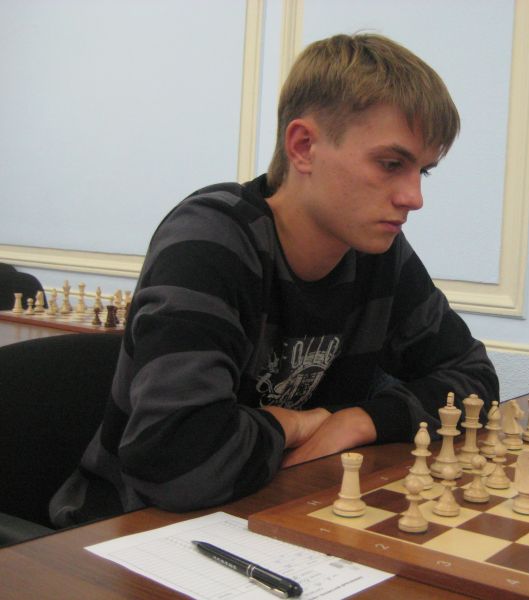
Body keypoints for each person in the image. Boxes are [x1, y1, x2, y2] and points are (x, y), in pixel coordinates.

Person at [50, 33, 499, 527]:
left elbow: (474, 379)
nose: (413, 197)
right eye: (390, 164)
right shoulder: (210, 241)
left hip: (278, 508)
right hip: (127, 532)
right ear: (303, 146)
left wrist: (360, 421)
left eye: (423, 172)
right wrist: (293, 424)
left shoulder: (378, 253)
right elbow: (178, 463)